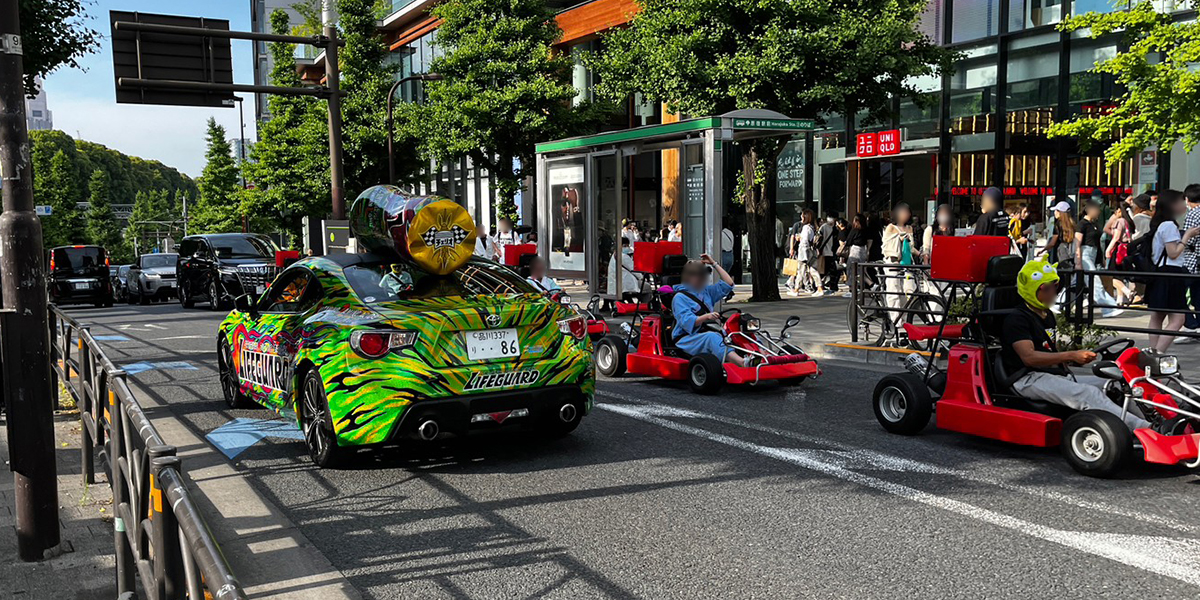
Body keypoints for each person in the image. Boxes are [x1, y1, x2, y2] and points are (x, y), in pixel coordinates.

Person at [1003, 258, 1153, 432]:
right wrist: (1071, 355)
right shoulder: (1017, 319)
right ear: (1033, 289)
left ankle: (1154, 419)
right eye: (1048, 288)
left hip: (1050, 373)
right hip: (1026, 378)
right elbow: (1029, 358)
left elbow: (1049, 349)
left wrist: (1073, 360)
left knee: (1117, 383)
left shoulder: (1046, 315)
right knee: (1088, 394)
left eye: (1056, 286)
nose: (1054, 292)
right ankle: (1146, 430)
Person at [671, 254, 751, 367]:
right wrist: (706, 317)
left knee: (741, 332)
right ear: (688, 277)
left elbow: (729, 284)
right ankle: (741, 362)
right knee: (712, 337)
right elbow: (686, 322)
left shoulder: (706, 292)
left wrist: (714, 264)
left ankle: (765, 356)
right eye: (698, 275)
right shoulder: (680, 297)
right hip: (687, 338)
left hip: (707, 331)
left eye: (703, 275)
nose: (702, 278)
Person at [1146, 189, 1200, 352]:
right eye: (1180, 201)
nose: (1184, 204)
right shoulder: (1169, 225)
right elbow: (1173, 253)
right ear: (1172, 205)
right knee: (1178, 318)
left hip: (1160, 273)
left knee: (1157, 316)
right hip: (1170, 274)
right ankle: (1157, 353)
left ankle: (1153, 352)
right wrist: (1187, 236)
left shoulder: (1159, 223)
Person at [1075, 200, 1122, 318]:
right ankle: (1108, 308)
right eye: (1096, 210)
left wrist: (1101, 259)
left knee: (1075, 282)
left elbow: (1097, 243)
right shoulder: (1082, 224)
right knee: (1095, 282)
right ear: (1089, 210)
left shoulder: (1094, 224)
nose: (1098, 213)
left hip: (1093, 254)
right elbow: (1077, 243)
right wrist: (1078, 261)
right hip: (1085, 254)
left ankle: (1058, 303)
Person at [882, 203, 916, 315]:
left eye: (907, 212)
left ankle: (904, 316)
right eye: (903, 212)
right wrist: (899, 239)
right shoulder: (891, 227)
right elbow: (886, 245)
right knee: (894, 289)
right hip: (893, 261)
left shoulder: (909, 228)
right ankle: (894, 318)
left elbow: (910, 248)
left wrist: (919, 253)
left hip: (906, 263)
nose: (906, 214)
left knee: (908, 290)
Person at [789, 209, 825, 296]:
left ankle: (796, 289)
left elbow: (804, 241)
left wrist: (799, 238)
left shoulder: (806, 228)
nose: (801, 217)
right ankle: (819, 288)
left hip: (804, 251)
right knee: (813, 270)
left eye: (802, 215)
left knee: (801, 270)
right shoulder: (813, 227)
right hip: (811, 251)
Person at [1181, 184, 1200, 339]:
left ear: (1187, 199)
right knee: (1198, 296)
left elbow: (1188, 240)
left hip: (1192, 261)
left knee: (1179, 293)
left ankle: (1191, 325)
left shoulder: (1193, 214)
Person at [1044, 201, 1076, 267]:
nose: (1054, 213)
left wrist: (1043, 250)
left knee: (1063, 271)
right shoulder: (1073, 224)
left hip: (1062, 253)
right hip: (1072, 252)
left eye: (1056, 210)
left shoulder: (1058, 225)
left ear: (1060, 212)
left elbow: (1052, 243)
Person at [816, 212, 839, 292]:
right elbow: (819, 239)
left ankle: (827, 285)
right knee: (826, 270)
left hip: (830, 252)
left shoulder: (834, 228)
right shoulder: (825, 227)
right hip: (825, 251)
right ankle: (820, 285)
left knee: (828, 270)